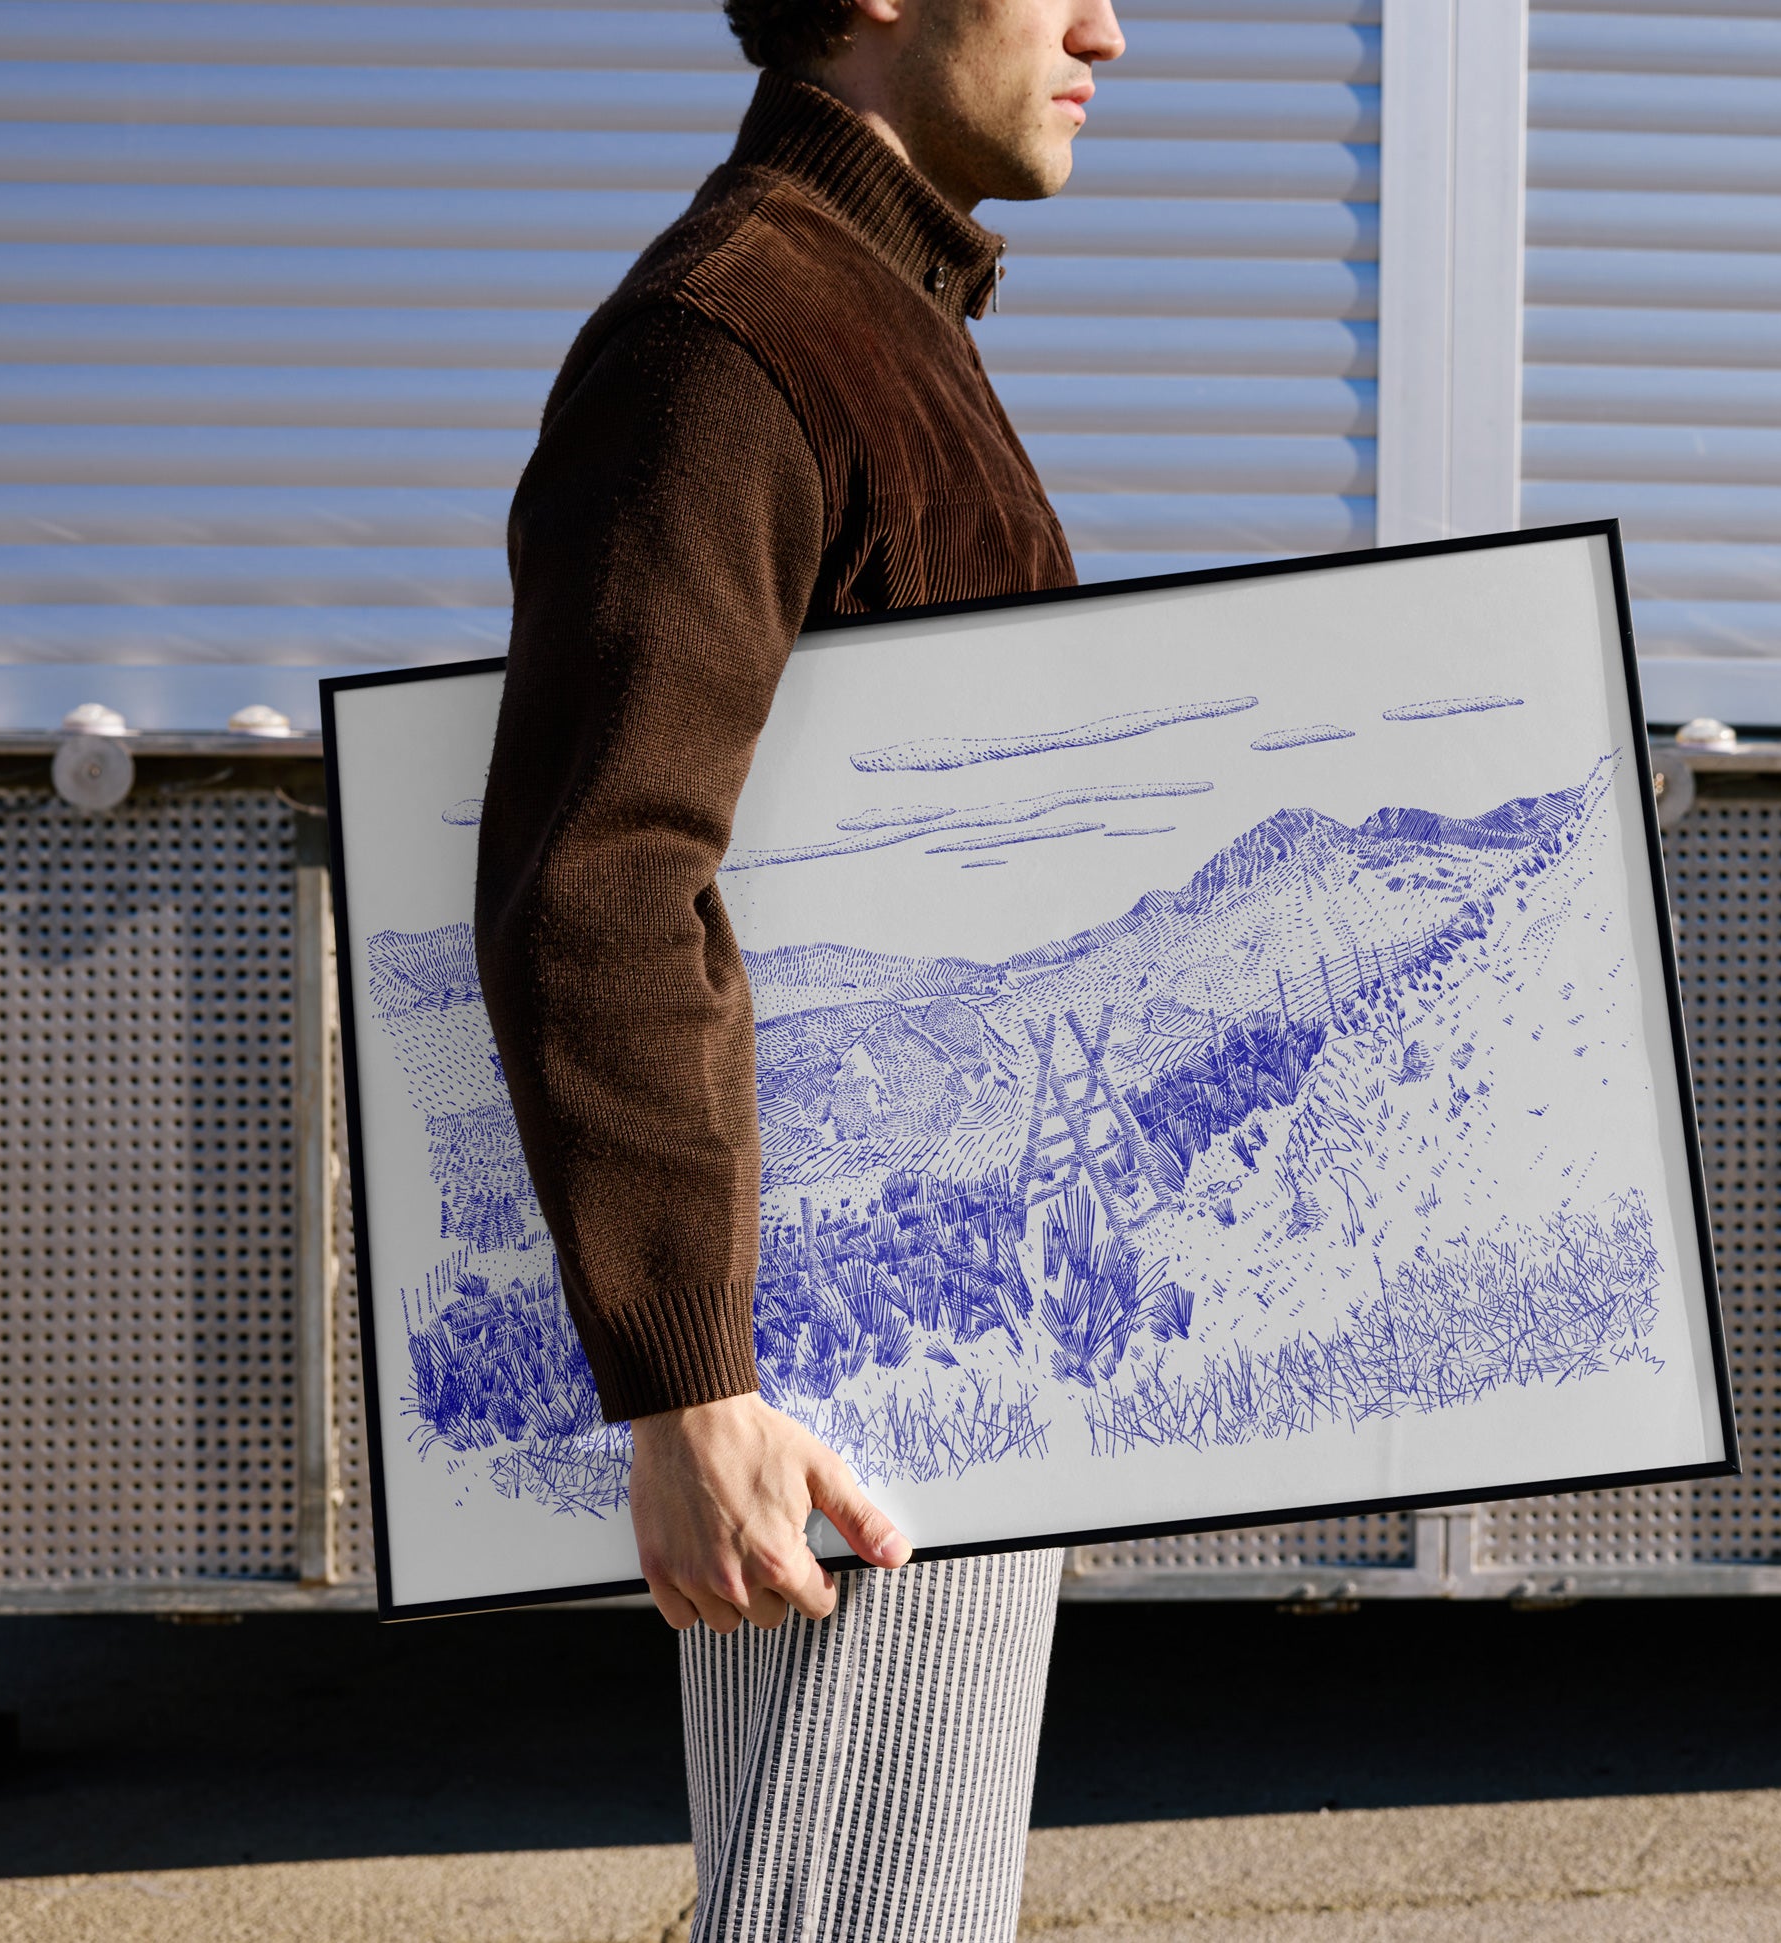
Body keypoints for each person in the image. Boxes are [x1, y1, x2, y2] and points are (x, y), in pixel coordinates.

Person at [475, 0, 1124, 1931]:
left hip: (922, 1378)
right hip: (838, 1419)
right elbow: (595, 873)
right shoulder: (732, 338)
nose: (1109, 27)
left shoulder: (875, 317)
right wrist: (687, 1395)